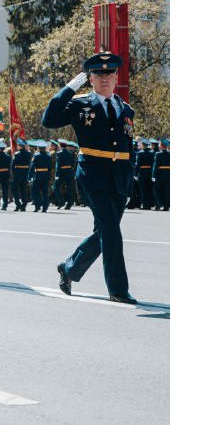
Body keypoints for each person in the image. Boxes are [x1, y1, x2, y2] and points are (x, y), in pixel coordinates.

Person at [45, 52, 138, 304]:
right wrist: (68, 89)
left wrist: (131, 180)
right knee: (111, 232)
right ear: (91, 79)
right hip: (92, 175)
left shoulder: (125, 108)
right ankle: (118, 290)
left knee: (105, 232)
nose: (105, 78)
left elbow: (130, 148)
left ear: (116, 76)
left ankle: (69, 268)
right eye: (98, 74)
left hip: (118, 178)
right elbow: (49, 120)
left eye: (109, 74)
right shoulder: (80, 104)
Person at [28, 140, 51, 212]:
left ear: (38, 148)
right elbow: (50, 167)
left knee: (35, 191)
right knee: (45, 192)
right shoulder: (48, 156)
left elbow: (32, 167)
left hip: (38, 175)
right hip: (45, 175)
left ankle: (37, 206)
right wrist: (48, 175)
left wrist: (29, 176)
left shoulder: (36, 155)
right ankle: (45, 207)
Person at [53, 139, 77, 209]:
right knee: (69, 188)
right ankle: (69, 204)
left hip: (61, 172)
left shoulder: (59, 153)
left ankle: (61, 201)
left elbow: (58, 165)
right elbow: (73, 164)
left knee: (56, 188)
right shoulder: (71, 153)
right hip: (69, 172)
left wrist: (57, 175)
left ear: (60, 145)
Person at [10, 139, 32, 211]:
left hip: (17, 174)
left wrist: (13, 174)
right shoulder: (29, 154)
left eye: (18, 145)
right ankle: (24, 205)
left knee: (14, 189)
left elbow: (13, 166)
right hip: (25, 174)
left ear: (20, 146)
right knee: (23, 190)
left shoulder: (17, 154)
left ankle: (18, 204)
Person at [152, 138, 170, 211]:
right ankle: (166, 206)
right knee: (167, 190)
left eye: (160, 145)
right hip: (168, 173)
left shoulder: (158, 154)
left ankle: (160, 204)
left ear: (162, 146)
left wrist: (153, 175)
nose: (159, 146)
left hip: (160, 173)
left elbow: (155, 166)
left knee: (156, 189)